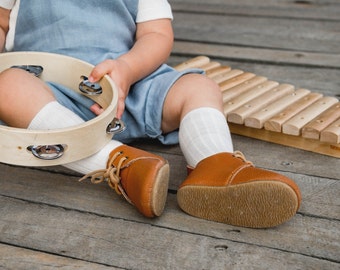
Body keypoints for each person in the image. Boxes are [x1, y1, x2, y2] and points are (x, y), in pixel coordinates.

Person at [0, 0, 301, 228]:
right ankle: (120, 164)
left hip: (132, 86)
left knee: (198, 86)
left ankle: (215, 165)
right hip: (54, 97)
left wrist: (128, 69)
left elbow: (156, 34)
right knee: (8, 87)